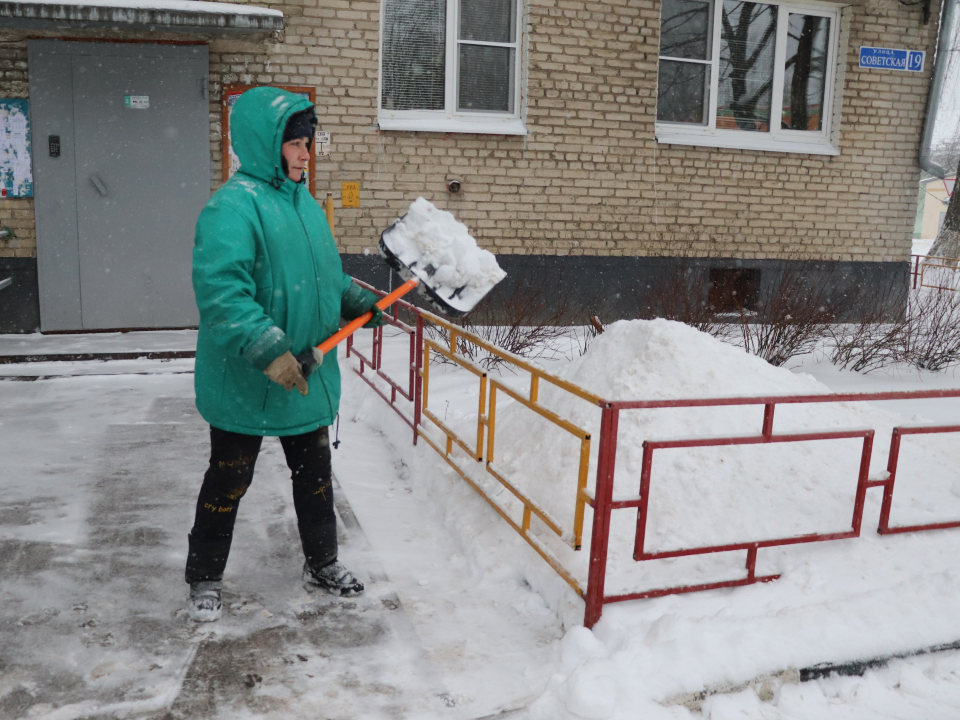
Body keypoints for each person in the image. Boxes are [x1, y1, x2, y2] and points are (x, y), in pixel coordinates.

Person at [185, 87, 383, 622]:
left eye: (308, 142)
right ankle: (204, 577)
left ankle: (322, 562)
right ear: (265, 144)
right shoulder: (232, 207)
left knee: (316, 475)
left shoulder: (306, 205)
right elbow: (223, 292)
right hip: (248, 379)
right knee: (229, 478)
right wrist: (268, 348)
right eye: (295, 143)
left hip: (306, 375)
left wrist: (354, 299)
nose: (305, 154)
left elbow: (322, 276)